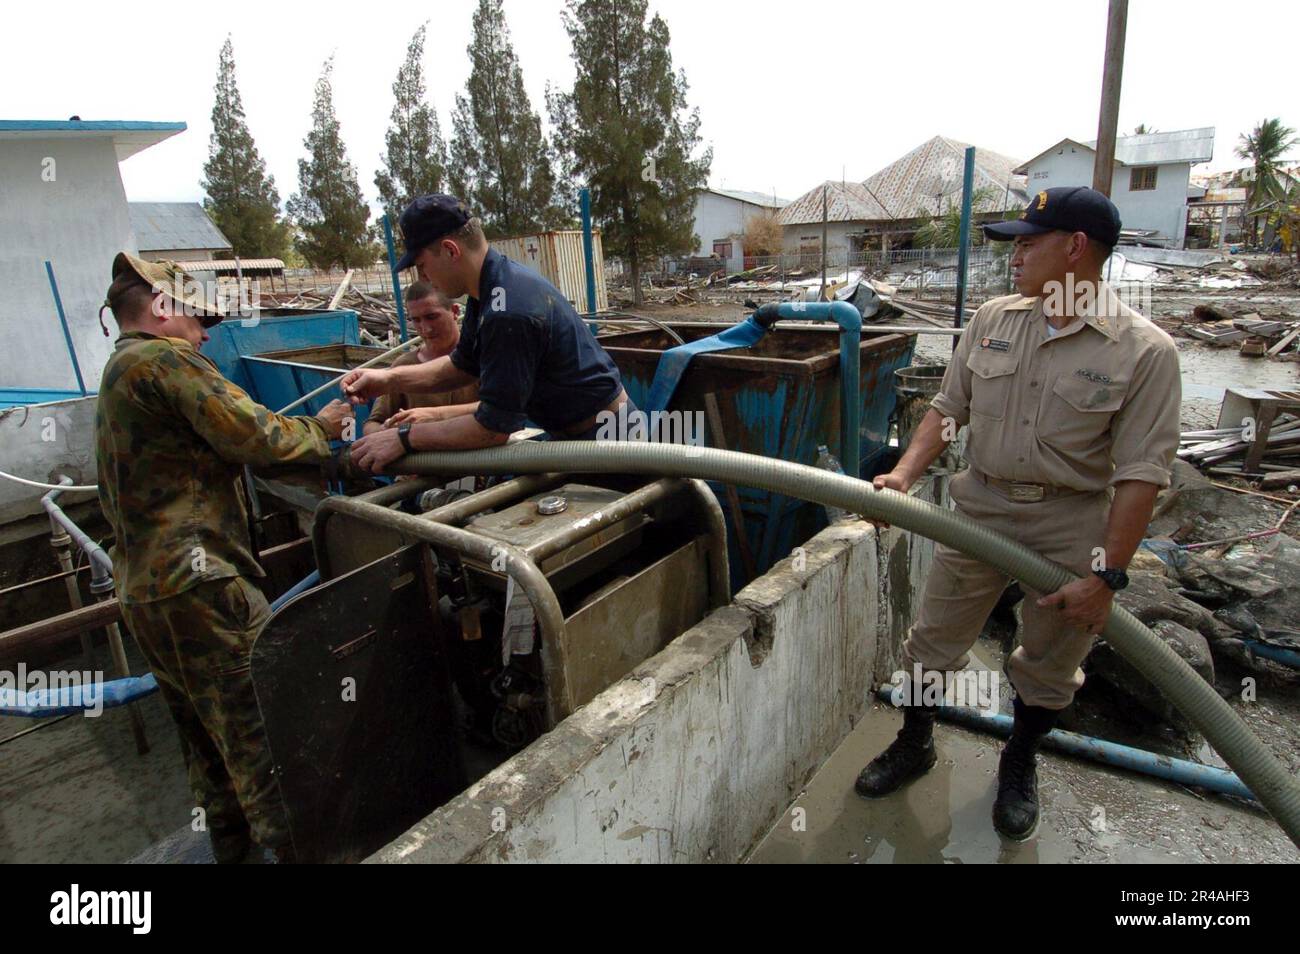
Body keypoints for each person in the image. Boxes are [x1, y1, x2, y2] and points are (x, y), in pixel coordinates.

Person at [856, 187, 1181, 840]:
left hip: (1070, 526)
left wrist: (1107, 578)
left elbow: (1141, 473)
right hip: (978, 509)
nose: (1016, 256)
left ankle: (1019, 762)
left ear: (1076, 247)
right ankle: (915, 740)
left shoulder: (1144, 353)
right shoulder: (993, 320)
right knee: (931, 644)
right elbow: (949, 410)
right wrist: (903, 475)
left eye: (1029, 243)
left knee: (1050, 663)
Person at [94, 252, 351, 863]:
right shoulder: (164, 359)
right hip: (201, 587)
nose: (206, 333)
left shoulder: (117, 371)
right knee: (270, 741)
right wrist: (324, 429)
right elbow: (254, 435)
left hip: (144, 592)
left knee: (210, 754)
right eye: (193, 316)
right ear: (161, 309)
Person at [344, 195, 630, 472]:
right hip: (581, 436)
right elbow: (462, 365)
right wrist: (388, 379)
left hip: (610, 442)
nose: (423, 278)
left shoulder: (508, 311)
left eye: (422, 266)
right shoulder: (491, 291)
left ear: (450, 250)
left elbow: (492, 429)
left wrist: (403, 439)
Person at [361, 280, 478, 435]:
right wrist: (389, 429)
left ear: (455, 312)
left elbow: (504, 408)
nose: (426, 329)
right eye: (416, 320)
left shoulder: (481, 358)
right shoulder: (404, 366)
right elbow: (372, 425)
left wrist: (433, 416)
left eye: (432, 317)